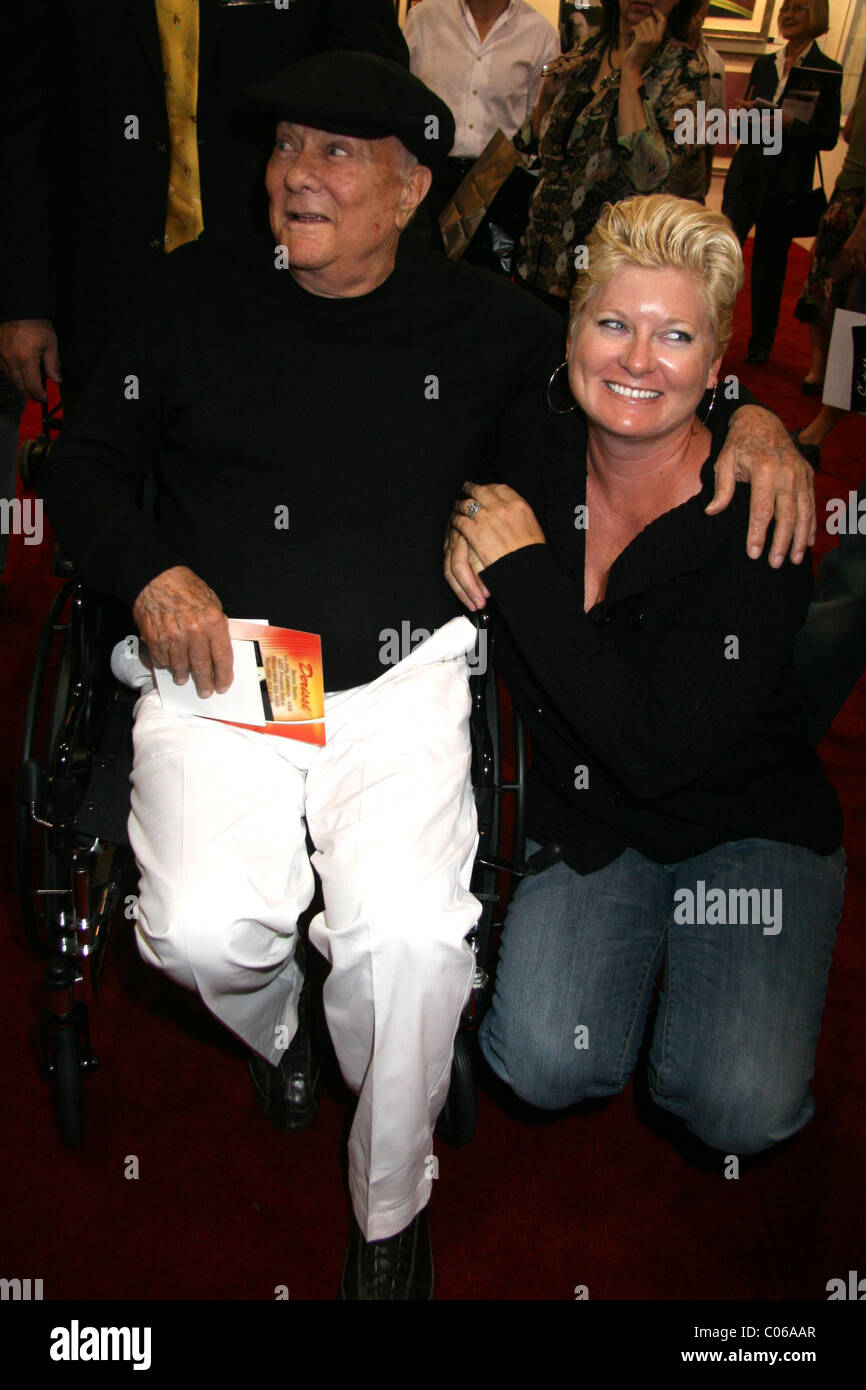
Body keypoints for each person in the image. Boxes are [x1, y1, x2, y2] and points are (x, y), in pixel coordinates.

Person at [41, 54, 815, 1298]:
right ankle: (285, 1025)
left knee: (405, 942)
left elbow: (624, 390)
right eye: (287, 145)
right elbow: (80, 461)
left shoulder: (489, 325)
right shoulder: (191, 293)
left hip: (400, 688)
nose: (296, 174)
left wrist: (754, 417)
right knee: (193, 932)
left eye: (335, 153)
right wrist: (146, 572)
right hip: (227, 669)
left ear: (409, 190)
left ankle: (388, 1202)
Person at [447, 194, 845, 1163]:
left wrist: (518, 572)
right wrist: (458, 525)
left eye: (674, 336)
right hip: (587, 822)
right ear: (570, 332)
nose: (635, 360)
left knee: (734, 1109)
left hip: (740, 819)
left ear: (715, 367)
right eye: (611, 323)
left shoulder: (759, 510)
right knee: (543, 1064)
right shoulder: (527, 438)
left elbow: (657, 749)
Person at [0, 0, 408, 406]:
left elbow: (380, 99)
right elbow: (29, 123)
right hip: (107, 293)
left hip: (278, 287)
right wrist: (25, 302)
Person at [513, 0, 709, 312]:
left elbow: (647, 171)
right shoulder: (590, 48)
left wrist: (632, 70)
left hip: (605, 271)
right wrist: (547, 95)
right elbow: (543, 149)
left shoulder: (685, 68)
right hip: (539, 256)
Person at [721, 0, 842, 366]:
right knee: (722, 258)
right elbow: (748, 128)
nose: (788, 15)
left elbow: (827, 138)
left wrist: (790, 125)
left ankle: (760, 346)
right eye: (785, 8)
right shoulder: (765, 64)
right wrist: (745, 117)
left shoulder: (826, 71)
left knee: (770, 269)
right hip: (747, 173)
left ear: (816, 16)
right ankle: (710, 332)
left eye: (798, 9)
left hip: (785, 183)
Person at [403, 0, 559, 271]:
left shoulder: (540, 34)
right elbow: (403, 99)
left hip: (497, 187)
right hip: (430, 178)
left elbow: (541, 125)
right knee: (421, 279)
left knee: (487, 291)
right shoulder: (424, 19)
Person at [794, 70, 866, 406]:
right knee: (822, 285)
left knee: (855, 301)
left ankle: (844, 393)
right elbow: (850, 132)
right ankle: (821, 371)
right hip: (846, 189)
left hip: (859, 200)